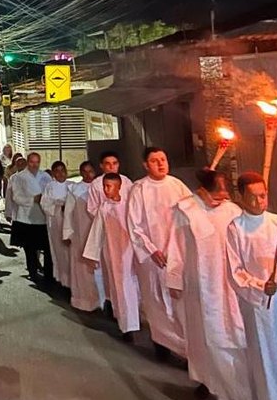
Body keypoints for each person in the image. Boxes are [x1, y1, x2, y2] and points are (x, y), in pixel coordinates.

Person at [165, 170, 253, 400]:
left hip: (230, 284)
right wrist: (173, 279)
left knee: (232, 334)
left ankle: (238, 389)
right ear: (204, 190)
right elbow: (176, 246)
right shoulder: (186, 210)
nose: (224, 194)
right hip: (199, 284)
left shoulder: (233, 211)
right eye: (219, 189)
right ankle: (206, 379)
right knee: (202, 335)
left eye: (226, 190)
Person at [226, 172, 277, 400]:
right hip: (257, 307)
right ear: (241, 197)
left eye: (263, 196)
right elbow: (235, 271)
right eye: (253, 197)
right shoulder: (235, 229)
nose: (259, 202)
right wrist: (260, 286)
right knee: (265, 358)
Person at [127, 147, 191, 360]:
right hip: (153, 256)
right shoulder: (139, 189)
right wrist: (151, 249)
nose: (161, 164)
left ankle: (185, 348)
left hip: (177, 253)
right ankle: (161, 344)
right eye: (155, 161)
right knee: (156, 300)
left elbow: (192, 214)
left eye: (163, 159)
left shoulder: (177, 186)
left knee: (178, 301)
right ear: (146, 165)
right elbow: (134, 226)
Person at [83, 174, 140, 339]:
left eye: (110, 186)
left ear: (119, 186)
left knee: (134, 285)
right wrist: (93, 255)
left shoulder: (130, 205)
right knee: (120, 287)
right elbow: (97, 232)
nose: (106, 190)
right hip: (113, 254)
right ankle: (127, 326)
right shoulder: (104, 208)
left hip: (131, 252)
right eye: (105, 186)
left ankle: (136, 319)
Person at [63, 161, 106, 312]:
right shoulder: (75, 190)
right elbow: (68, 213)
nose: (88, 175)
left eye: (91, 171)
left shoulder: (102, 187)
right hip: (81, 234)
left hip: (99, 234)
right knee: (83, 269)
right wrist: (68, 233)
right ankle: (85, 300)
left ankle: (104, 300)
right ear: (80, 173)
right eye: (85, 172)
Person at [9, 152, 53, 282]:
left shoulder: (45, 176)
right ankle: (33, 272)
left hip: (42, 216)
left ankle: (49, 274)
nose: (34, 165)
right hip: (26, 217)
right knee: (30, 249)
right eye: (32, 162)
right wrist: (32, 199)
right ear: (28, 162)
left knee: (47, 248)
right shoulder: (19, 177)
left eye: (37, 162)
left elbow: (51, 192)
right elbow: (16, 197)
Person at [41, 161, 71, 288]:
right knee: (59, 251)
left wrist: (69, 206)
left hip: (70, 223)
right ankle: (62, 279)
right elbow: (45, 204)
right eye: (57, 171)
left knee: (71, 252)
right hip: (56, 222)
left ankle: (73, 280)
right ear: (53, 173)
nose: (60, 173)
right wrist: (59, 206)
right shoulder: (50, 187)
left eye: (62, 170)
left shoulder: (72, 186)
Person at [87, 151, 133, 217]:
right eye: (108, 164)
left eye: (114, 163)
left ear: (118, 164)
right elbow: (92, 208)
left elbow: (132, 202)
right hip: (105, 221)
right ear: (101, 166)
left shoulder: (126, 181)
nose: (112, 167)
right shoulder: (96, 184)